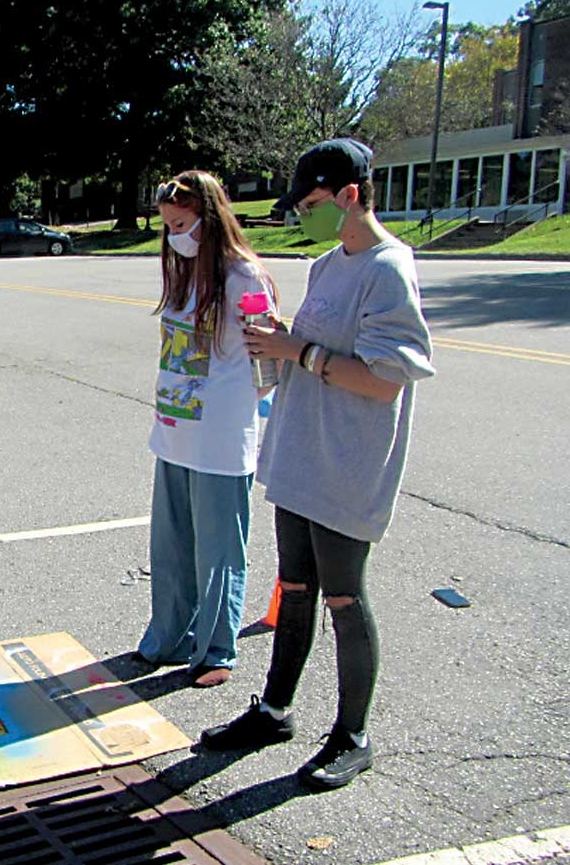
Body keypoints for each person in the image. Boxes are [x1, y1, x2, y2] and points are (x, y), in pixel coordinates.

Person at [200, 139, 434, 790]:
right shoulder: (328, 265)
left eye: (311, 204)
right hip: (300, 457)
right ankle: (275, 710)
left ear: (350, 194)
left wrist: (296, 349)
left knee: (344, 598)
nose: (303, 217)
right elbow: (307, 350)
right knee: (295, 590)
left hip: (347, 468)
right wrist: (274, 340)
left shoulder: (389, 268)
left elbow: (386, 379)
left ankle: (352, 735)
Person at [135, 171, 278, 688]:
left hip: (219, 439)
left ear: (209, 218)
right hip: (173, 433)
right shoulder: (182, 273)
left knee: (218, 549)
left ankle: (216, 649)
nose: (174, 234)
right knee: (171, 546)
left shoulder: (244, 277)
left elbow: (269, 363)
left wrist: (234, 405)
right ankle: (168, 636)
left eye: (182, 223)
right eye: (168, 225)